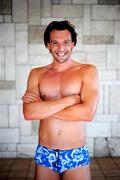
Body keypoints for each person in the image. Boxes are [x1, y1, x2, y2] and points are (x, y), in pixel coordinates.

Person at [22, 20, 99, 180]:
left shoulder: (87, 71)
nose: (61, 48)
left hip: (75, 152)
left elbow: (87, 114)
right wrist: (70, 100)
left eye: (66, 42)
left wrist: (43, 107)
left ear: (73, 44)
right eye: (55, 43)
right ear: (48, 45)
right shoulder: (37, 74)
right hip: (45, 151)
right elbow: (29, 113)